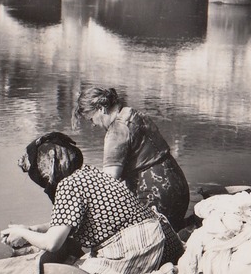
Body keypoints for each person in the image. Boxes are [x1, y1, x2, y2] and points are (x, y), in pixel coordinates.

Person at [1, 135, 182, 274]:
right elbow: (70, 220)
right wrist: (34, 229)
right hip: (165, 240)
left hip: (143, 248)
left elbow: (52, 244)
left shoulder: (68, 185)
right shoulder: (88, 173)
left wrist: (21, 233)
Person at [73, 86, 190, 231]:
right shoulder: (133, 114)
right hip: (179, 187)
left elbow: (109, 181)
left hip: (156, 195)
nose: (93, 125)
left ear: (101, 108)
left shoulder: (116, 131)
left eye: (91, 119)